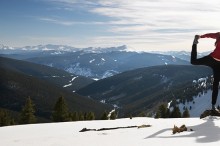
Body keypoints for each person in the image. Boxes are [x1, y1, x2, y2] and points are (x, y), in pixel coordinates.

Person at [191, 32, 220, 112]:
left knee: (216, 83)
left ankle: (213, 106)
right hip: (211, 59)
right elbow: (210, 35)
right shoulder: (219, 35)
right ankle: (194, 43)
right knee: (193, 61)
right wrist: (200, 36)